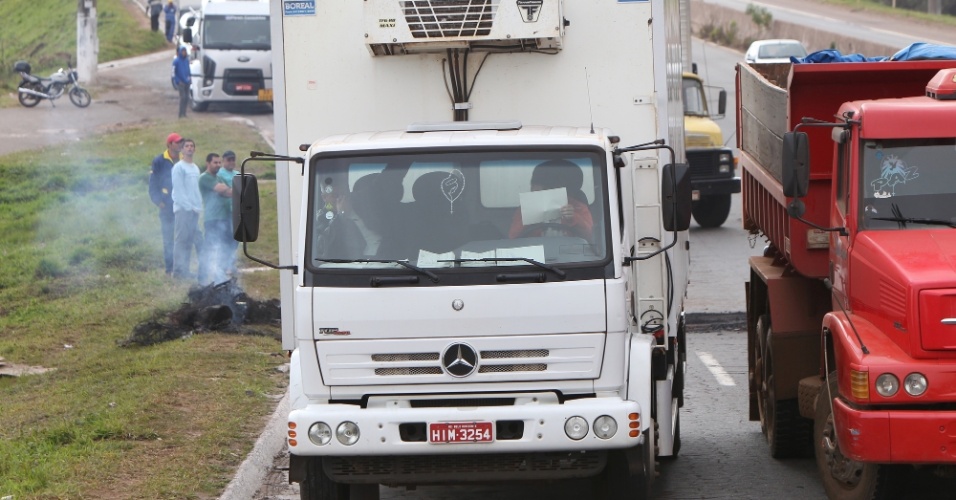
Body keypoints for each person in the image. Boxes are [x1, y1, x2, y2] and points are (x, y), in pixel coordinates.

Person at [509, 159, 593, 241]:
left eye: (544, 188)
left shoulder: (577, 207)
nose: (535, 190)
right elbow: (512, 237)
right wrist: (529, 218)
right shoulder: (526, 209)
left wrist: (573, 217)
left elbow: (590, 235)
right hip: (535, 252)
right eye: (534, 187)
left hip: (569, 251)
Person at [148, 132, 184, 276]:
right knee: (168, 238)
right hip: (167, 207)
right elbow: (153, 184)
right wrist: (159, 202)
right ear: (169, 144)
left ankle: (182, 267)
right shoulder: (159, 161)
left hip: (182, 206)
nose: (180, 145)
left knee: (182, 238)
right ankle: (170, 269)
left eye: (181, 142)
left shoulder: (184, 159)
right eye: (177, 142)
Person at [171, 138, 206, 281]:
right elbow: (179, 190)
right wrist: (188, 207)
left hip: (194, 210)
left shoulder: (195, 168)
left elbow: (196, 190)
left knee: (194, 239)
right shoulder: (179, 167)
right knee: (181, 240)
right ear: (182, 149)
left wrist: (198, 207)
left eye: (192, 146)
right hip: (183, 210)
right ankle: (178, 272)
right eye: (187, 146)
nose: (190, 148)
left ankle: (187, 270)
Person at [199, 153, 233, 284]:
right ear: (208, 163)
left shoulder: (219, 177)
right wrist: (229, 190)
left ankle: (221, 277)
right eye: (215, 162)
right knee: (209, 248)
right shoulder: (205, 178)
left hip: (224, 218)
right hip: (212, 219)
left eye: (219, 162)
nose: (218, 165)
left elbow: (229, 191)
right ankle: (202, 279)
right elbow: (224, 191)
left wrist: (229, 190)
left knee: (225, 248)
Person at [217, 150, 239, 274]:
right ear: (224, 161)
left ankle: (231, 264)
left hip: (236, 212)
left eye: (233, 159)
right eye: (228, 160)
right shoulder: (220, 174)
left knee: (235, 240)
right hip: (225, 212)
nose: (231, 162)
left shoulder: (237, 174)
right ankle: (223, 265)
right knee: (226, 239)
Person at [172, 46, 191, 119]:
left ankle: (184, 113)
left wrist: (189, 78)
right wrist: (175, 81)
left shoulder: (186, 60)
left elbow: (188, 70)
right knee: (182, 98)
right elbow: (173, 72)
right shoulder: (176, 61)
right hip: (181, 82)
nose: (184, 53)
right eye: (183, 51)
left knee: (187, 98)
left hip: (187, 82)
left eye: (185, 51)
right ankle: (181, 114)